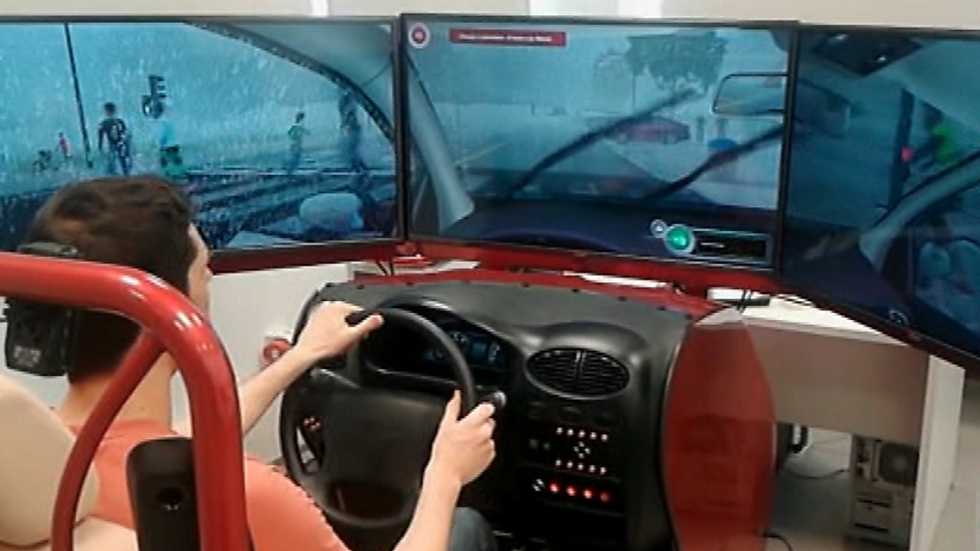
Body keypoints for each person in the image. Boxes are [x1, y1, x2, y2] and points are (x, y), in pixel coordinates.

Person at [26, 176, 498, 551]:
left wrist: (302, 356)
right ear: (169, 307)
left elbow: (180, 441)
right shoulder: (244, 496)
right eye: (203, 269)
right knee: (465, 524)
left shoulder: (42, 460)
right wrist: (445, 473)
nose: (210, 280)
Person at [98, 102, 132, 176]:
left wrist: (100, 147)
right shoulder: (118, 122)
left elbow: (100, 137)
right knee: (120, 160)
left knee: (115, 160)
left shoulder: (104, 123)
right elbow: (125, 134)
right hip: (118, 144)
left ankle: (116, 173)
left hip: (115, 144)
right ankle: (123, 173)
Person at [338, 91, 367, 175]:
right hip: (353, 130)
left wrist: (344, 125)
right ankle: (359, 168)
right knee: (352, 150)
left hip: (354, 130)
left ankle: (359, 168)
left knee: (352, 150)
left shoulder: (350, 109)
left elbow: (348, 119)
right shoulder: (350, 108)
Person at [287, 111, 311, 176]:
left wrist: (293, 137)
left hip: (295, 143)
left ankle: (291, 170)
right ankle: (290, 171)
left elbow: (289, 133)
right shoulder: (297, 125)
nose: (302, 120)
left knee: (295, 157)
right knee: (296, 157)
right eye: (302, 118)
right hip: (296, 144)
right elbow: (290, 132)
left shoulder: (296, 125)